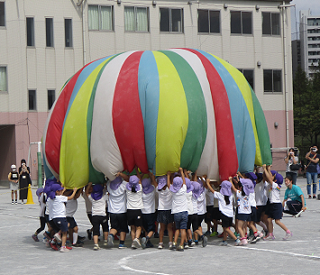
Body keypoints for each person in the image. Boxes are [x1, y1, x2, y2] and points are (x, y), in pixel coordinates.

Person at [206, 178, 240, 246]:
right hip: (230, 214)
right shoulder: (231, 195)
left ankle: (236, 239)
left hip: (224, 214)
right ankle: (224, 241)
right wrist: (230, 180)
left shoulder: (220, 195)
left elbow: (213, 191)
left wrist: (207, 183)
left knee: (226, 229)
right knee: (225, 228)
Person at [263, 165, 292, 241]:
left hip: (276, 205)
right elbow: (268, 178)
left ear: (275, 179)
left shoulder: (276, 185)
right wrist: (266, 169)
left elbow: (269, 178)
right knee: (269, 220)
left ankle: (288, 232)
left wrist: (267, 169)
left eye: (272, 176)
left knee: (277, 221)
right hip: (271, 204)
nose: (269, 176)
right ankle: (270, 234)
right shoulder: (269, 185)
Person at [50, 183, 78, 252]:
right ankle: (63, 247)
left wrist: (63, 188)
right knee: (65, 233)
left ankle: (58, 234)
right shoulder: (60, 198)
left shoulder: (53, 197)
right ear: (57, 191)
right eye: (60, 190)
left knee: (67, 225)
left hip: (55, 218)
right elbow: (70, 197)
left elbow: (60, 194)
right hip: (61, 217)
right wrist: (74, 191)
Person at [107, 174, 129, 249]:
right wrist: (120, 173)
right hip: (122, 210)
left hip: (112, 211)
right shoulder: (123, 186)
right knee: (123, 228)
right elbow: (128, 178)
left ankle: (111, 235)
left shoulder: (109, 185)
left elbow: (107, 178)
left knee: (114, 227)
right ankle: (121, 243)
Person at [85, 182, 109, 250]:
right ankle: (105, 240)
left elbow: (86, 193)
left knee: (96, 230)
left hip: (95, 215)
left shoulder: (92, 198)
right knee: (105, 228)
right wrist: (105, 186)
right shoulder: (104, 197)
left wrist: (89, 185)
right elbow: (109, 193)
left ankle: (96, 244)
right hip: (103, 215)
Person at [126, 171, 144, 249]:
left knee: (132, 227)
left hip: (129, 210)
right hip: (137, 210)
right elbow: (139, 180)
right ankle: (137, 238)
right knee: (139, 227)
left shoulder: (127, 189)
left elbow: (129, 182)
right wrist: (138, 170)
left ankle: (133, 242)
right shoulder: (140, 189)